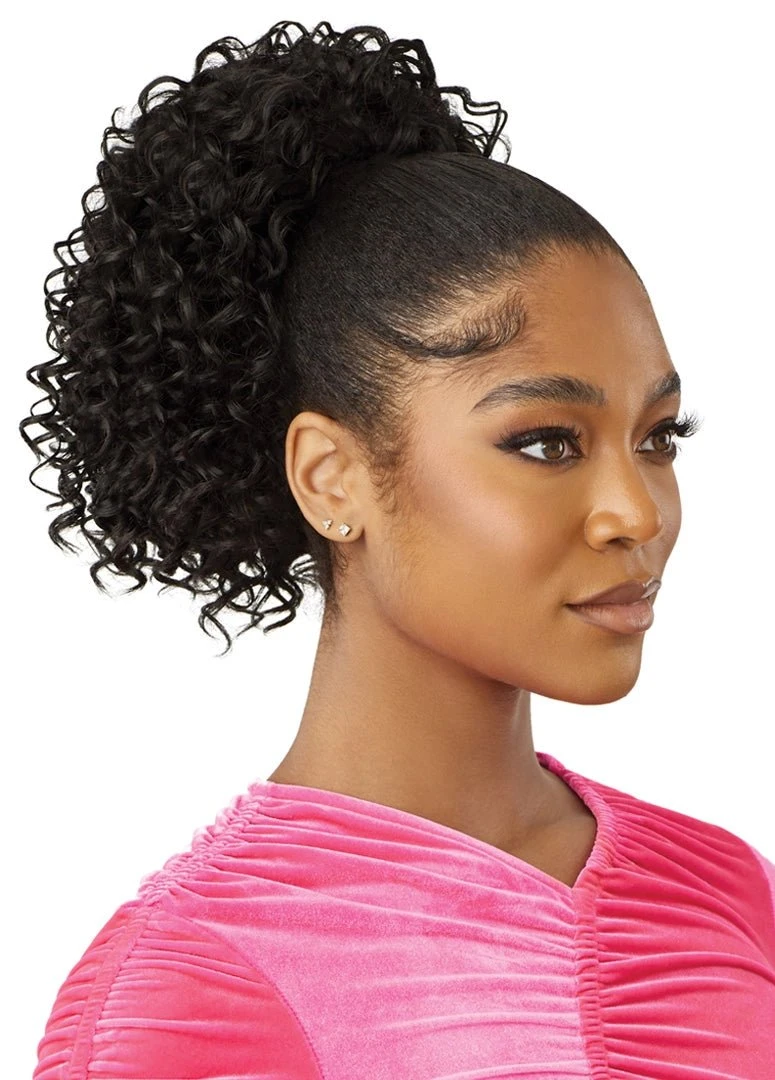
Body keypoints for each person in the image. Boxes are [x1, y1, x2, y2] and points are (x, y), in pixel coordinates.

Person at [23, 18, 775, 1080]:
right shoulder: (190, 987)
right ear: (332, 478)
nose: (637, 513)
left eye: (658, 437)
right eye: (545, 442)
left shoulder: (726, 890)